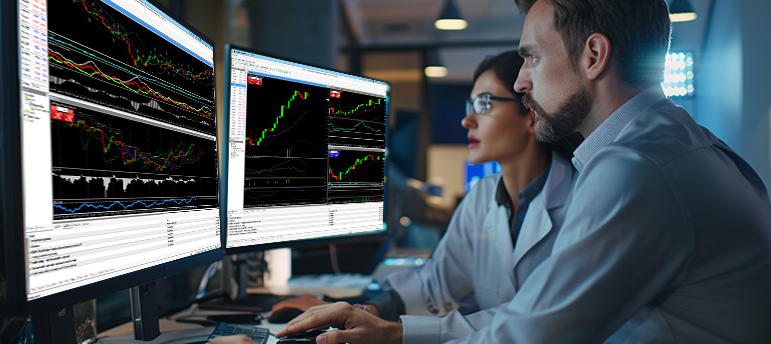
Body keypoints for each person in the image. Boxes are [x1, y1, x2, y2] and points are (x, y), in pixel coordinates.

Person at [278, 0, 771, 343]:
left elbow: (531, 335)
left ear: (594, 56)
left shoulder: (634, 168)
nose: (521, 79)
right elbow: (529, 317)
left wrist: (397, 336)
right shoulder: (676, 145)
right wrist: (395, 330)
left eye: (532, 56)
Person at [270, 51, 576, 341]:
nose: (467, 121)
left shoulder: (580, 197)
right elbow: (437, 283)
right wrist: (365, 310)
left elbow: (535, 319)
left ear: (531, 115)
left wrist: (392, 333)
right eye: (469, 107)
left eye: (484, 104)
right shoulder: (482, 196)